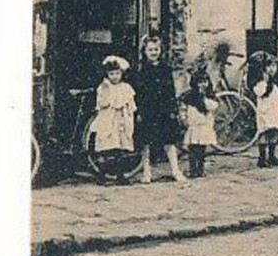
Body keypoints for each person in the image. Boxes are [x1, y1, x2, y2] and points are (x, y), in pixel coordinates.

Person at [132, 33, 184, 183]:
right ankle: (147, 172)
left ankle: (175, 170)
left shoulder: (165, 68)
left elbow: (170, 90)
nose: (154, 53)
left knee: (169, 140)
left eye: (156, 49)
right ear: (145, 51)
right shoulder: (142, 70)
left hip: (164, 109)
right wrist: (140, 111)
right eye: (150, 50)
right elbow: (140, 92)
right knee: (146, 142)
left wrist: (173, 109)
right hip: (148, 108)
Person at [89, 55, 137, 171]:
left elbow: (131, 104)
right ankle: (102, 174)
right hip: (108, 119)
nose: (115, 76)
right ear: (107, 74)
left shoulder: (126, 87)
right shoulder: (104, 87)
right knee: (107, 145)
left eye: (117, 73)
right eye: (111, 74)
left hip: (122, 119)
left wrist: (130, 115)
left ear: (121, 74)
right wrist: (107, 93)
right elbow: (102, 103)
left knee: (120, 147)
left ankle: (120, 175)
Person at [250, 51, 278, 169]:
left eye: (274, 66)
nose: (271, 69)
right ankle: (262, 158)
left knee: (274, 131)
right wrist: (265, 82)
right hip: (265, 111)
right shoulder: (261, 81)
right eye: (268, 66)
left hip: (276, 111)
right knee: (264, 132)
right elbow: (259, 92)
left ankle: (272, 155)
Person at [182, 70, 220, 178]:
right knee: (193, 148)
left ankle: (200, 168)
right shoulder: (190, 96)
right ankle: (193, 169)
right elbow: (184, 108)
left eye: (205, 82)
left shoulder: (209, 96)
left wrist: (204, 97)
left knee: (202, 149)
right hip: (194, 125)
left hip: (204, 126)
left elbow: (213, 106)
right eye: (199, 82)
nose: (202, 84)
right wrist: (184, 119)